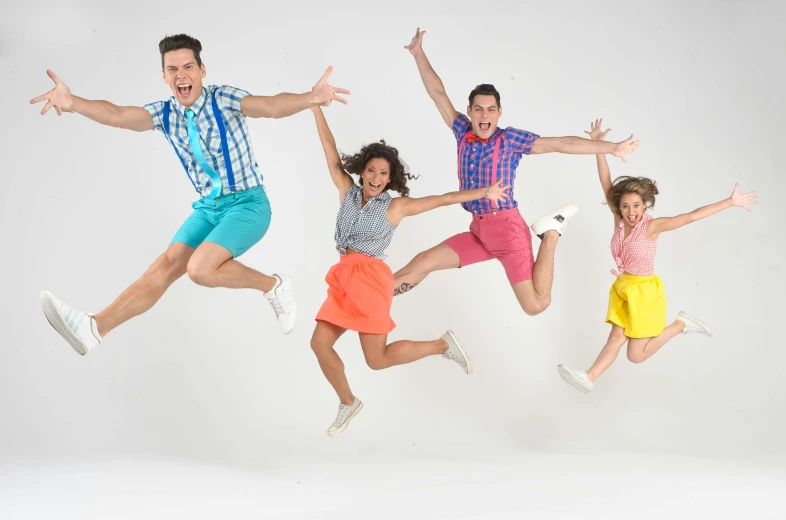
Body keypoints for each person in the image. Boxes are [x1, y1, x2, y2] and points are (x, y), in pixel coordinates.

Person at [31, 34, 350, 355]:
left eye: (187, 67)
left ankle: (273, 285)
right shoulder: (165, 114)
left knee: (200, 269)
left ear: (201, 70)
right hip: (209, 208)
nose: (181, 75)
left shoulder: (223, 99)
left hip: (249, 205)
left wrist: (310, 97)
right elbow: (116, 114)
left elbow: (269, 105)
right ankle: (94, 328)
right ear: (165, 77)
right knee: (166, 265)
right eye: (172, 69)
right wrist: (74, 102)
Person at [393, 28, 640, 319]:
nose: (485, 116)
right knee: (424, 260)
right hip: (478, 229)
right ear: (469, 111)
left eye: (491, 110)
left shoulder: (508, 140)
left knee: (536, 305)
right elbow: (437, 93)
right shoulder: (461, 130)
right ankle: (373, 295)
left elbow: (560, 144)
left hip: (508, 231)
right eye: (479, 109)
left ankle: (551, 232)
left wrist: (610, 147)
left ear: (499, 113)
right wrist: (419, 53)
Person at [309, 105, 510, 436]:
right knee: (319, 343)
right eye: (371, 171)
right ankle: (348, 402)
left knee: (377, 360)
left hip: (371, 281)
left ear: (391, 178)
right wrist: (315, 107)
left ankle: (441, 346)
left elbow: (442, 199)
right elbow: (330, 152)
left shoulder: (395, 206)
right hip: (344, 277)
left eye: (383, 174)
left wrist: (484, 193)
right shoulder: (348, 192)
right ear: (362, 171)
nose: (376, 178)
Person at [557, 119, 758, 393]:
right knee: (616, 337)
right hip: (623, 288)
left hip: (644, 292)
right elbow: (605, 181)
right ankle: (589, 377)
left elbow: (690, 217)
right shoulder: (618, 219)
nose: (630, 211)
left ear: (645, 205)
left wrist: (730, 202)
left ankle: (680, 324)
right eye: (625, 205)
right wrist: (598, 146)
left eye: (636, 206)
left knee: (635, 356)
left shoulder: (652, 227)